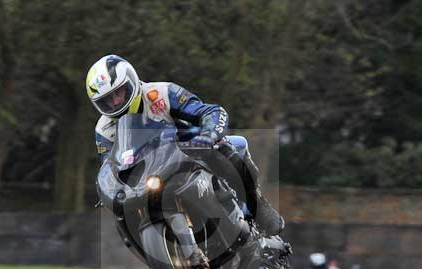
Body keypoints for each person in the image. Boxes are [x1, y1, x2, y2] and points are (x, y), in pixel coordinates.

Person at [86, 54, 284, 237]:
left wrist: (209, 134)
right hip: (146, 177)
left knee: (226, 149)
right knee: (120, 213)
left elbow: (209, 111)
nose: (115, 102)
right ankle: (161, 264)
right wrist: (109, 190)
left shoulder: (161, 93)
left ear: (131, 82)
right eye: (106, 101)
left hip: (189, 153)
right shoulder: (103, 130)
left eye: (118, 93)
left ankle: (257, 205)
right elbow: (109, 166)